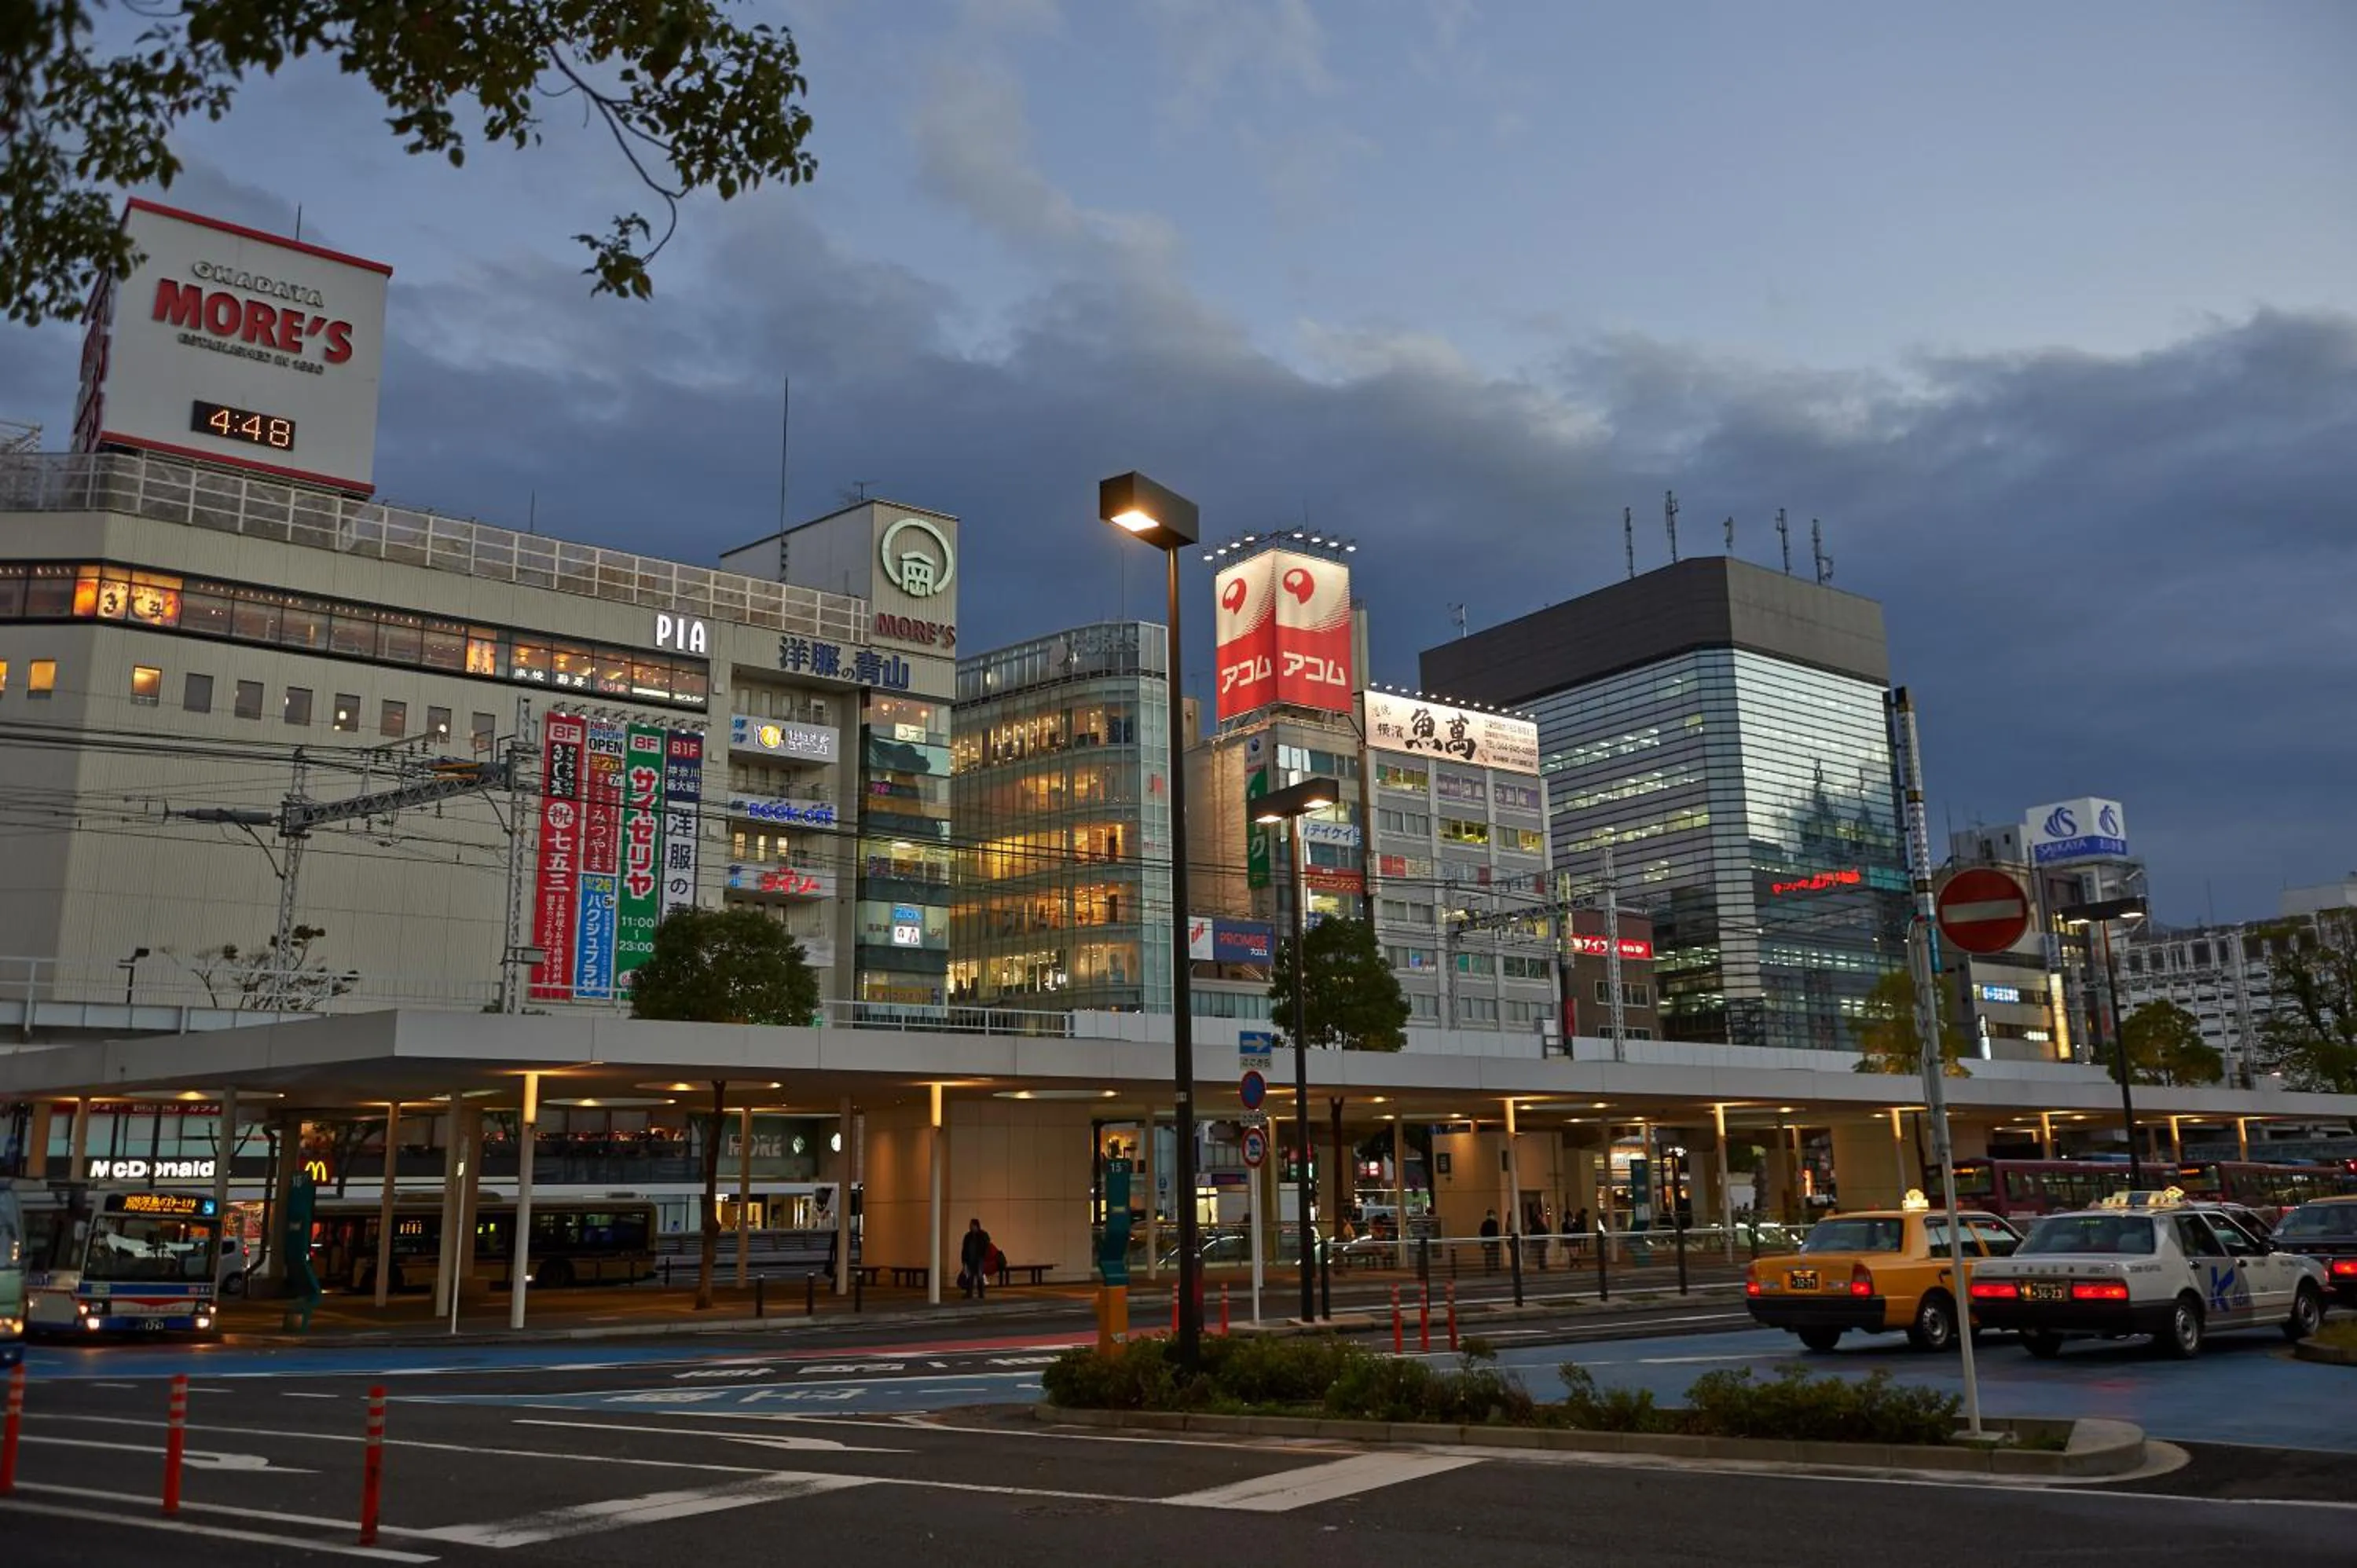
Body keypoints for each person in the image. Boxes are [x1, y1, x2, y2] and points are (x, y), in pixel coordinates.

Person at [959, 1217, 993, 1300]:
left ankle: (981, 1294)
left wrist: (984, 1256)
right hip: (970, 1260)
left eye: (971, 1225)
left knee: (980, 1276)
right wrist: (964, 1261)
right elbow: (964, 1249)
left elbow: (987, 1246)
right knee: (969, 1277)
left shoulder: (983, 1235)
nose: (970, 1227)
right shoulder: (968, 1236)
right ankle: (969, 1293)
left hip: (979, 1259)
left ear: (976, 1226)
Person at [1478, 1209, 1500, 1273]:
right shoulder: (1489, 1223)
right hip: (1490, 1241)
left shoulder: (1491, 1223)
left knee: (1491, 1255)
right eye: (1492, 1215)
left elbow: (1482, 1232)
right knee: (1491, 1255)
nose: (1493, 1216)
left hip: (1491, 1241)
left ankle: (1492, 1268)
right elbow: (1483, 1232)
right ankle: (1491, 1269)